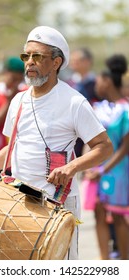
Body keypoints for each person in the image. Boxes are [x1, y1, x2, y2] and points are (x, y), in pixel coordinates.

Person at [0, 26, 113, 260]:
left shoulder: (74, 102)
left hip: (56, 203)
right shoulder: (19, 100)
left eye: (37, 56)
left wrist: (71, 167)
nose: (29, 62)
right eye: (26, 56)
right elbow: (12, 148)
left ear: (56, 62)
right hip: (17, 201)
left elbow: (104, 147)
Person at [84, 54, 129, 259]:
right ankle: (104, 259)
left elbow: (125, 147)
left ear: (108, 81)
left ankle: (124, 259)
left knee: (119, 216)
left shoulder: (126, 110)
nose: (97, 85)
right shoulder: (97, 109)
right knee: (99, 213)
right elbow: (88, 140)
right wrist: (89, 167)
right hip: (97, 171)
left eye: (100, 81)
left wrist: (103, 169)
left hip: (118, 171)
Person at [67, 48, 100, 157]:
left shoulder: (97, 84)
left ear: (87, 62)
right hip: (72, 132)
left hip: (91, 131)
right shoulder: (68, 84)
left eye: (77, 60)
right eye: (72, 60)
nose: (73, 63)